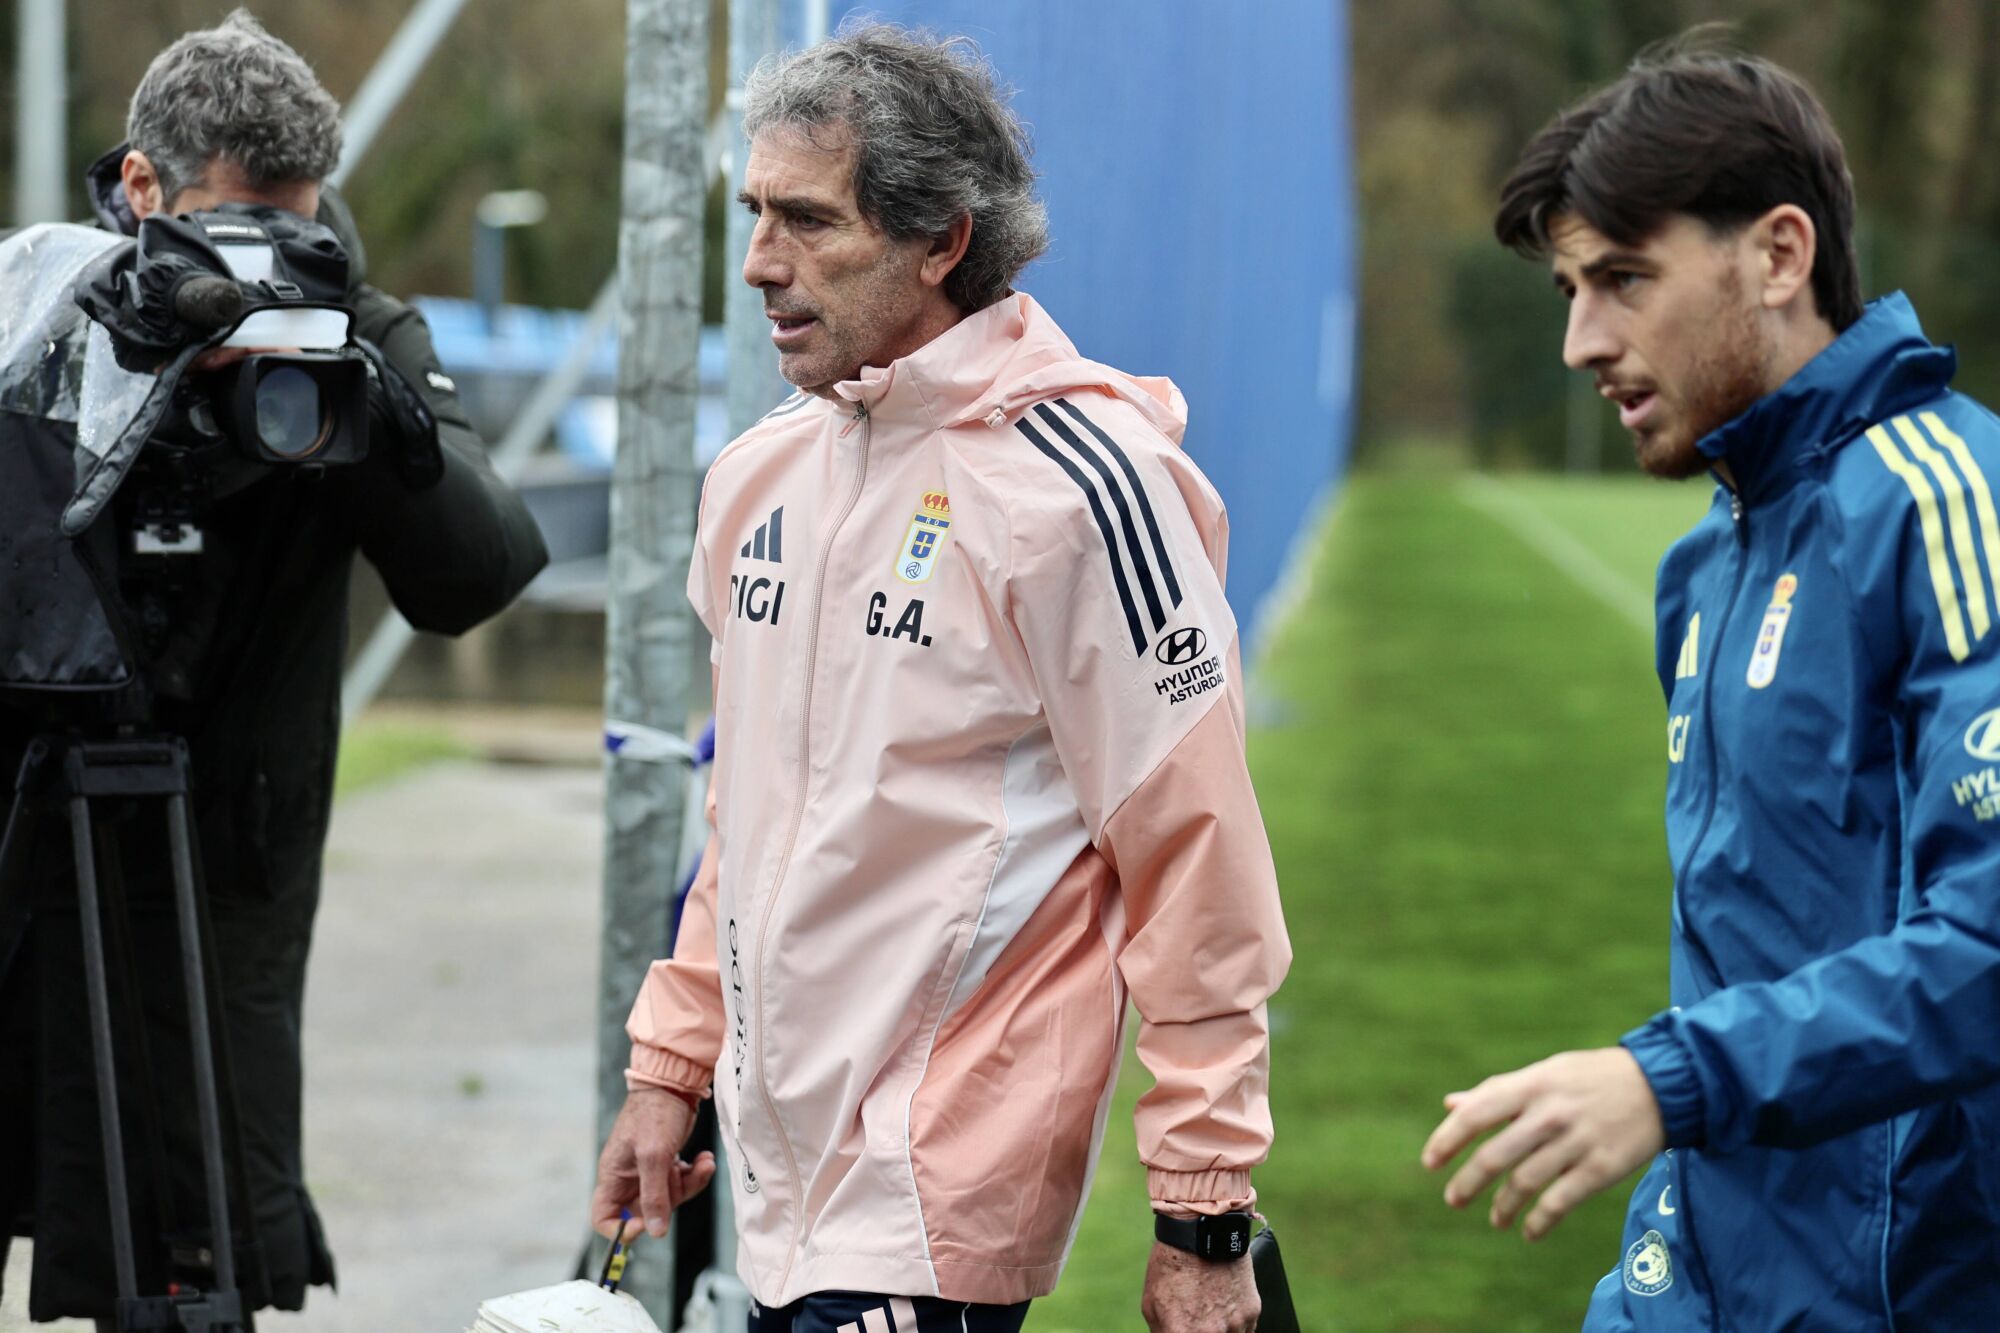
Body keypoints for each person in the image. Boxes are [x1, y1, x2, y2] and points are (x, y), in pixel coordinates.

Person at [588, 25, 1290, 1333]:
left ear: (942, 240)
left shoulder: (1085, 489)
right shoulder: (758, 476)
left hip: (933, 1202)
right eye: (754, 215)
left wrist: (1205, 1208)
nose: (758, 265)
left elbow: (1199, 862)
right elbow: (744, 819)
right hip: (772, 1182)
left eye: (806, 220)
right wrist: (668, 1067)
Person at [1419, 33, 2000, 1330]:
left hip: (1906, 1283)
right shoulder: (1706, 564)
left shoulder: (1948, 510)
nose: (1582, 340)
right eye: (1572, 288)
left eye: (1624, 279)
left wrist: (1667, 1080)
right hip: (1701, 1259)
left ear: (1780, 255)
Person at [0, 11, 548, 1323]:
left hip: (216, 877)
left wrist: (370, 394)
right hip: (24, 858)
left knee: (196, 1227)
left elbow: (479, 574)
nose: (270, 261)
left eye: (303, 221)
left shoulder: (351, 332)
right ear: (142, 189)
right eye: (238, 226)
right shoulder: (39, 315)